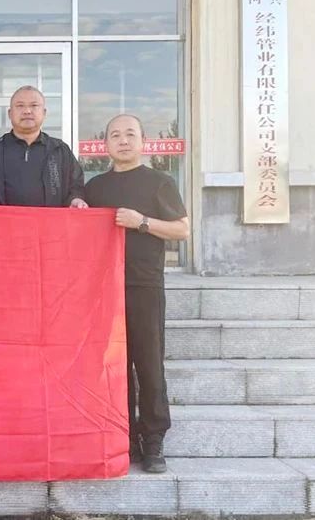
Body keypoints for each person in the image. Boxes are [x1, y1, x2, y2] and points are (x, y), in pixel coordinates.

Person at [84, 113, 189, 474]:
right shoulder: (95, 187)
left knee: (149, 364)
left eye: (130, 134)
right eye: (115, 135)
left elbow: (181, 230)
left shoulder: (160, 182)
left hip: (144, 284)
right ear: (105, 144)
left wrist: (141, 222)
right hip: (103, 287)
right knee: (115, 366)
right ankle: (124, 436)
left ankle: (154, 438)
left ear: (143, 141)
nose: (123, 140)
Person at [0, 85, 87, 208]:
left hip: (49, 220)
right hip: (1, 220)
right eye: (20, 106)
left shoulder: (60, 150)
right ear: (10, 113)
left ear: (44, 113)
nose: (27, 111)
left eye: (34, 105)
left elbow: (76, 187)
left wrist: (75, 200)